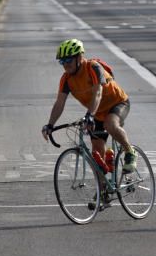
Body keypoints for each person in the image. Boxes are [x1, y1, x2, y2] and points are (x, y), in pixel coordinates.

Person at [42, 38, 139, 183]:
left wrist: (89, 116)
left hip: (118, 103)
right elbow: (59, 103)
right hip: (97, 112)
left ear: (79, 57)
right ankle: (103, 191)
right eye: (62, 62)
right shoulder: (66, 79)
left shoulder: (92, 67)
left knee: (110, 124)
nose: (65, 65)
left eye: (68, 60)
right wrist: (50, 124)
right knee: (97, 156)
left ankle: (130, 152)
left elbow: (97, 93)